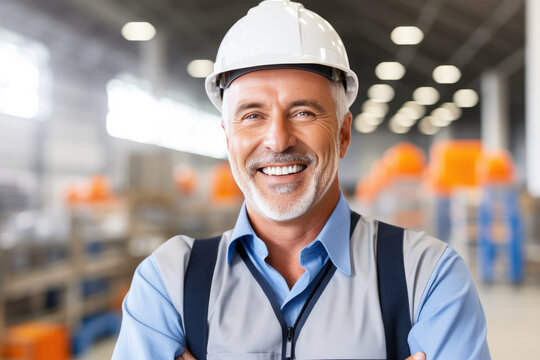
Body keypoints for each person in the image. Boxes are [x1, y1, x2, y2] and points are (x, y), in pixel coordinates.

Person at [112, 1, 491, 359]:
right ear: (228, 141)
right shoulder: (170, 283)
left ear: (343, 135)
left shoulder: (426, 277)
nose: (278, 140)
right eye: (252, 115)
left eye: (304, 112)